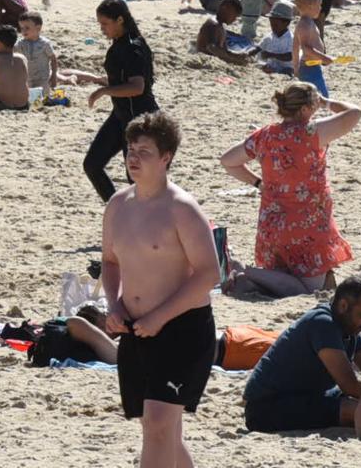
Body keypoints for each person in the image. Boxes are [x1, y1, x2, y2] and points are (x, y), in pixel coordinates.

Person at [99, 110, 221, 468]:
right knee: (160, 430)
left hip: (182, 329)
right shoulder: (118, 205)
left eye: (144, 152)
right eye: (130, 151)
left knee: (157, 426)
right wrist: (114, 305)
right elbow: (110, 262)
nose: (132, 159)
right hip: (136, 329)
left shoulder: (181, 209)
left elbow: (209, 273)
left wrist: (159, 317)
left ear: (166, 158)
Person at [218, 82, 359, 297]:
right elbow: (355, 112)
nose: (317, 109)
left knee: (282, 276)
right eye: (315, 105)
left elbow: (228, 161)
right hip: (308, 223)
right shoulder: (313, 132)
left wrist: (258, 183)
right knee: (308, 289)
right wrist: (329, 102)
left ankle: (247, 277)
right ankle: (241, 268)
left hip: (273, 223)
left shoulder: (265, 135)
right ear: (304, 109)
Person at [242, 275, 361, 435]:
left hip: (305, 395)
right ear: (343, 305)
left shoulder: (348, 325)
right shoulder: (323, 324)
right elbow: (350, 385)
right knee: (354, 410)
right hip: (267, 408)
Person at [85, 0, 158, 202]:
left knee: (135, 176)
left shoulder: (133, 47)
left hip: (139, 118)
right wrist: (103, 83)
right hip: (120, 115)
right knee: (92, 164)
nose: (102, 29)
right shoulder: (119, 44)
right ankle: (117, 209)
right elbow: (122, 78)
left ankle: (144, 220)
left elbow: (137, 87)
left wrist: (104, 91)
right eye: (100, 24)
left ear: (120, 20)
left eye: (105, 24)